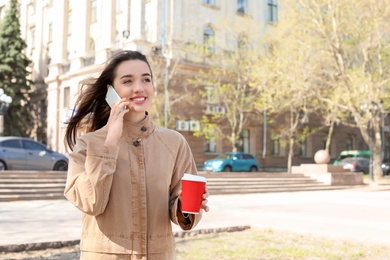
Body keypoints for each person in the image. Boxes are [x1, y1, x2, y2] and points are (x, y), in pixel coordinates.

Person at [64, 50, 209, 259]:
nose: (139, 88)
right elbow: (90, 202)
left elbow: (184, 215)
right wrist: (110, 142)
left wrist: (186, 206)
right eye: (128, 81)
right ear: (111, 90)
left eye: (146, 80)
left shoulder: (174, 143)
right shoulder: (87, 144)